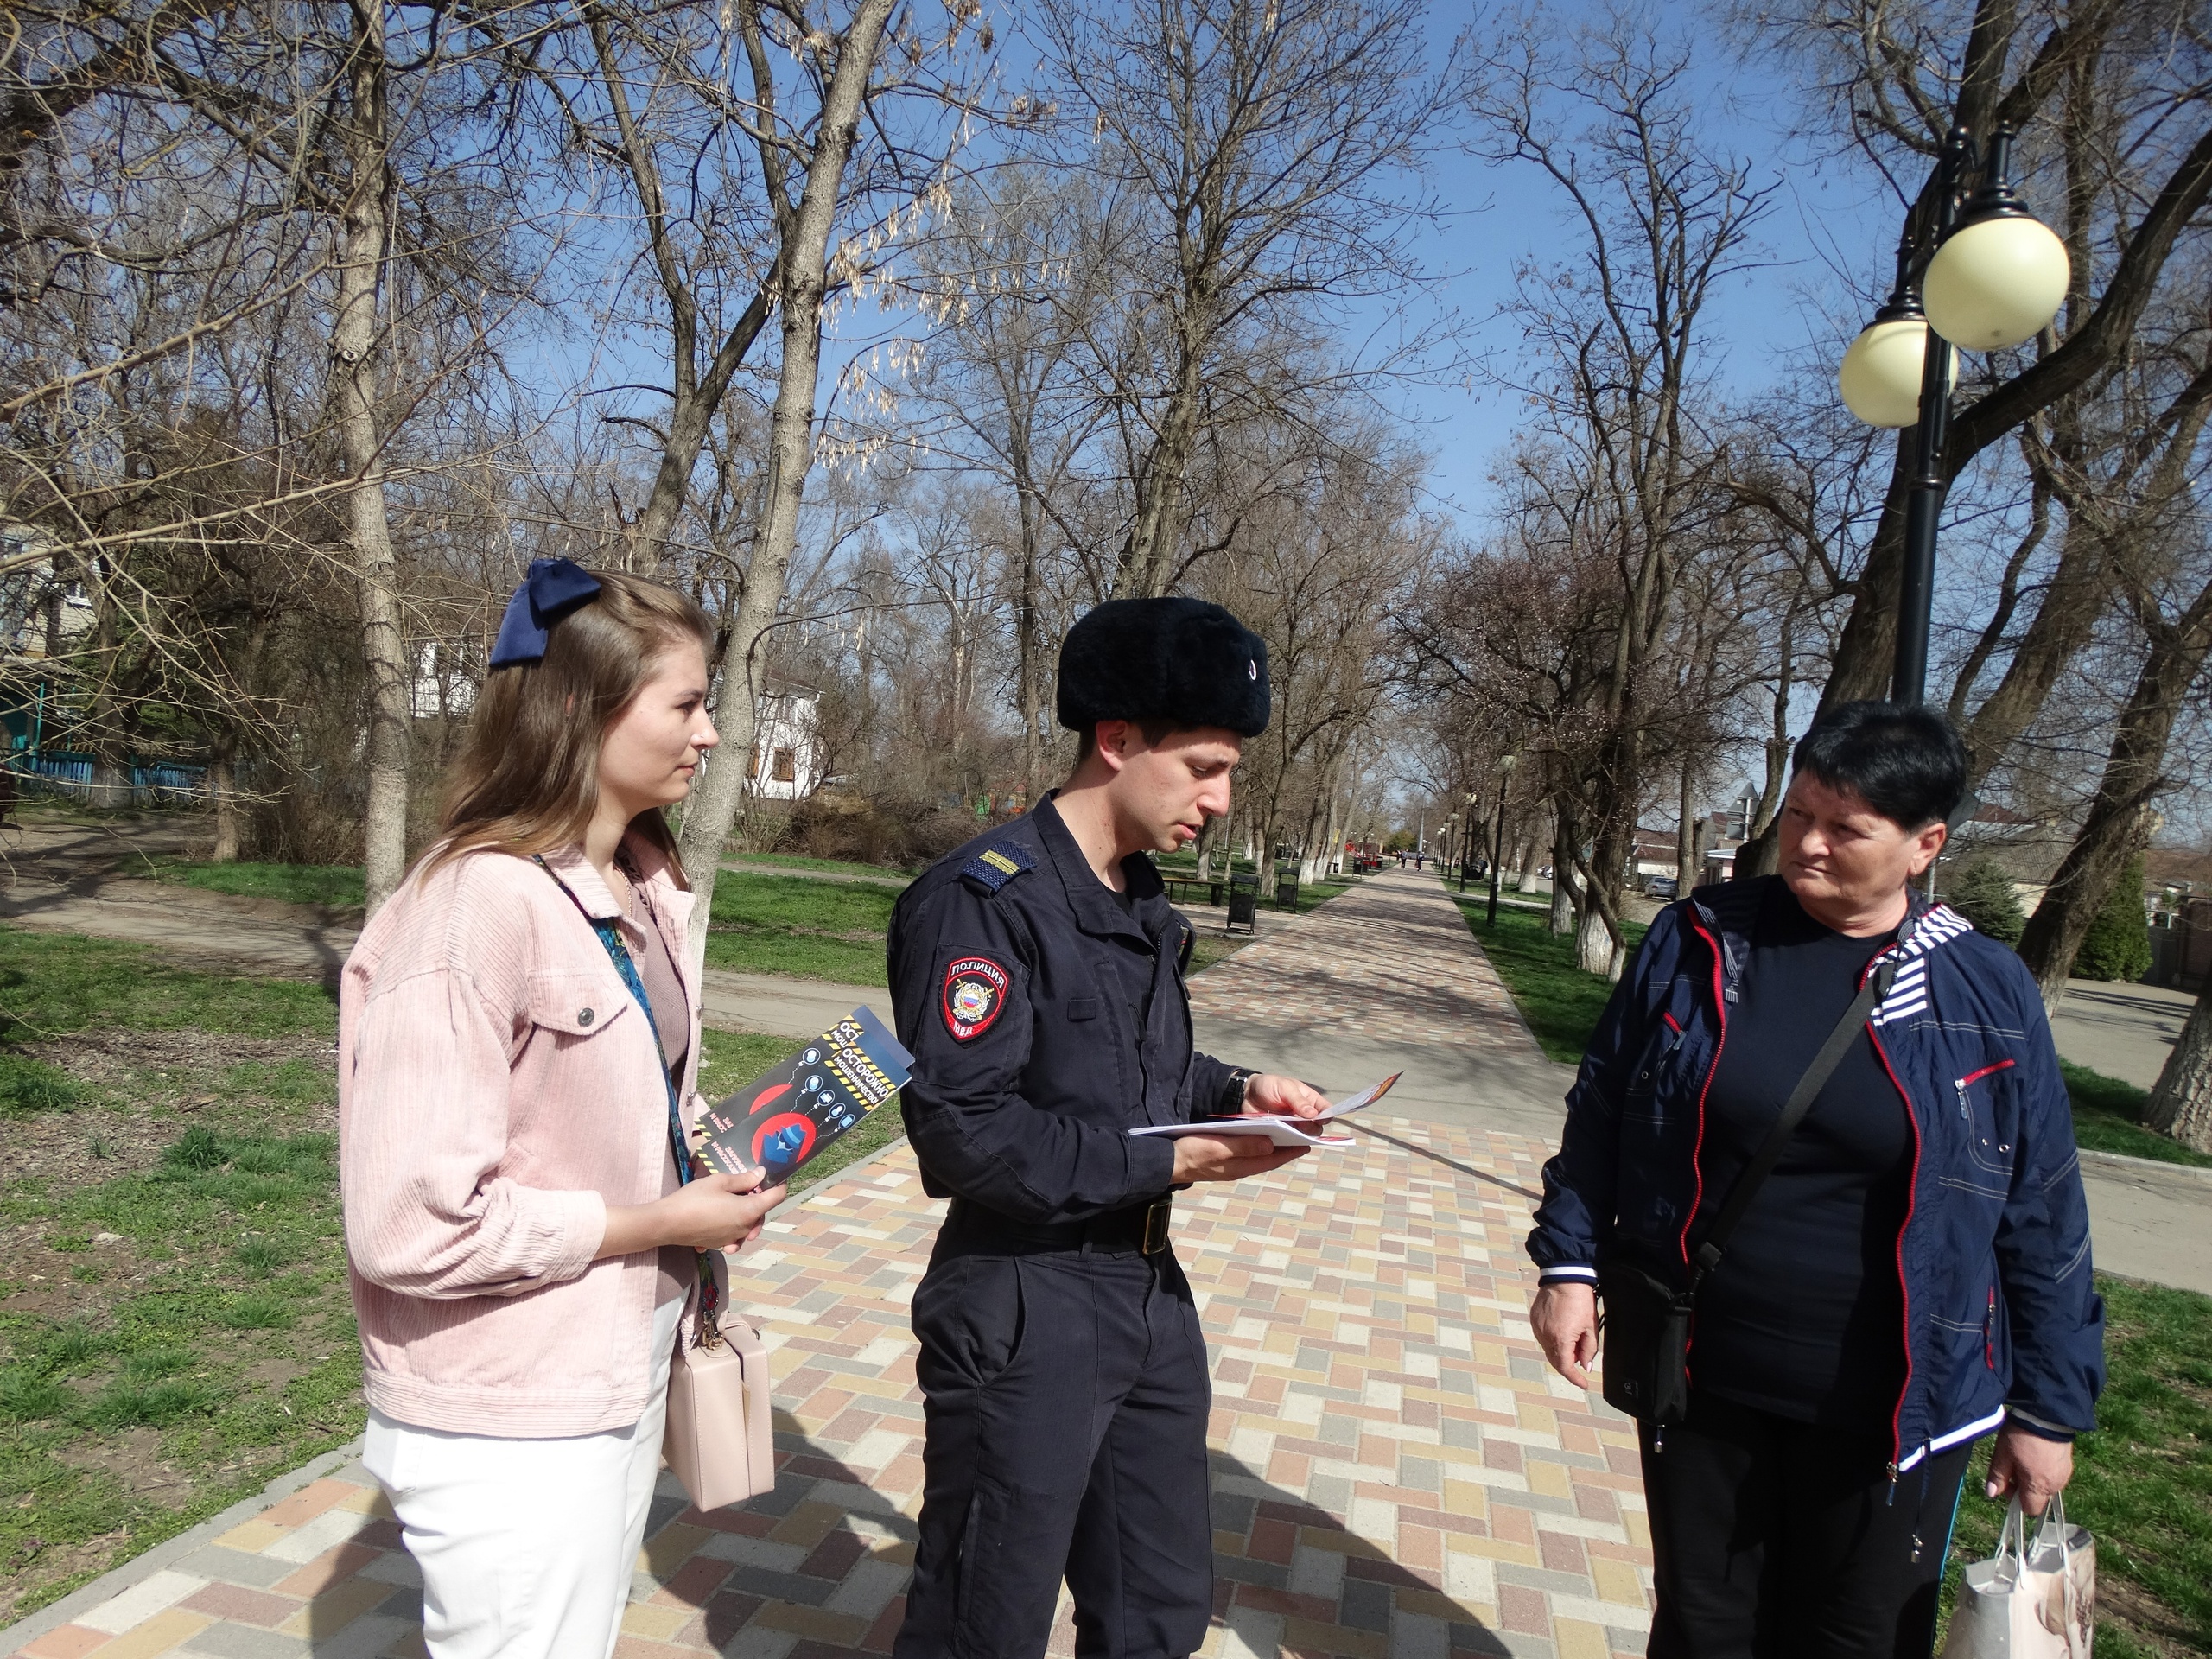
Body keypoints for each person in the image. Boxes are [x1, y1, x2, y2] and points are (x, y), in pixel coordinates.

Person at [1527, 701, 2104, 1659]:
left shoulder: (1981, 990)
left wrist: (2048, 1409)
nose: (1810, 844)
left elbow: (2041, 1205)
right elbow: (1602, 1114)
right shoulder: (1703, 940)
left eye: (1846, 828)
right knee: (1703, 1627)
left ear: (1925, 845)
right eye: (1798, 815)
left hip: (1897, 1403)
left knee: (1854, 1639)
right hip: (1704, 1373)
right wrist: (1570, 1264)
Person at [340, 561, 787, 1659]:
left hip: (612, 1364)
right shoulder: (471, 909)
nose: (713, 736)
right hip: (507, 1412)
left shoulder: (639, 888)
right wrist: (653, 1224)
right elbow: (408, 1224)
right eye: (686, 704)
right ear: (583, 713)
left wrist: (704, 1172)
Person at [888, 597, 1330, 1659]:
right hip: (1024, 1299)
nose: (1221, 801)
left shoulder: (1139, 900)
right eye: (1204, 768)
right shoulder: (984, 903)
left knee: (1158, 1606)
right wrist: (1178, 1158)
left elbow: (1128, 1074)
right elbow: (967, 1134)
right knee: (983, 1618)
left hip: (1144, 1290)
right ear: (1116, 739)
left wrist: (1236, 1090)